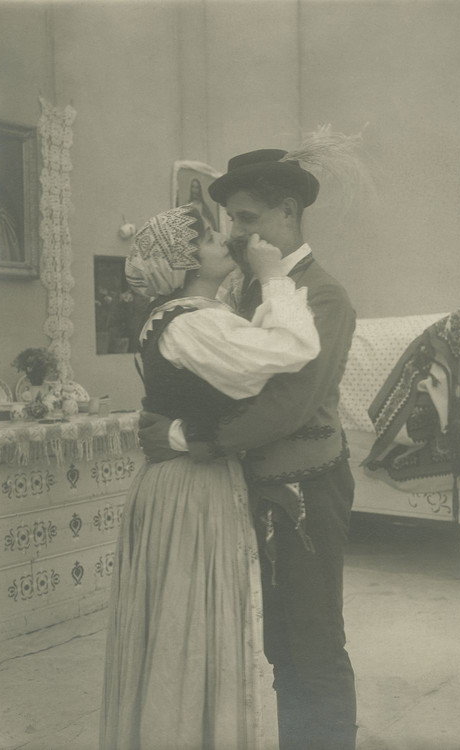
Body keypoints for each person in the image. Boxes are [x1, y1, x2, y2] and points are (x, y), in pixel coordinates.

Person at [138, 129, 367, 750]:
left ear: (287, 212)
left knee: (315, 639)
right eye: (231, 221)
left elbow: (288, 406)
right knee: (280, 644)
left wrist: (187, 439)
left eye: (247, 218)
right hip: (261, 488)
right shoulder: (249, 289)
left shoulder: (323, 294)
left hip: (308, 488)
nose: (236, 233)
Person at [99, 203, 320, 750]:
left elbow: (254, 367)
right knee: (187, 623)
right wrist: (277, 278)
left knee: (185, 620)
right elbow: (292, 348)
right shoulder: (192, 321)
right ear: (188, 261)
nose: (228, 241)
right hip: (190, 488)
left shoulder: (185, 315)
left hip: (180, 480)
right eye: (212, 238)